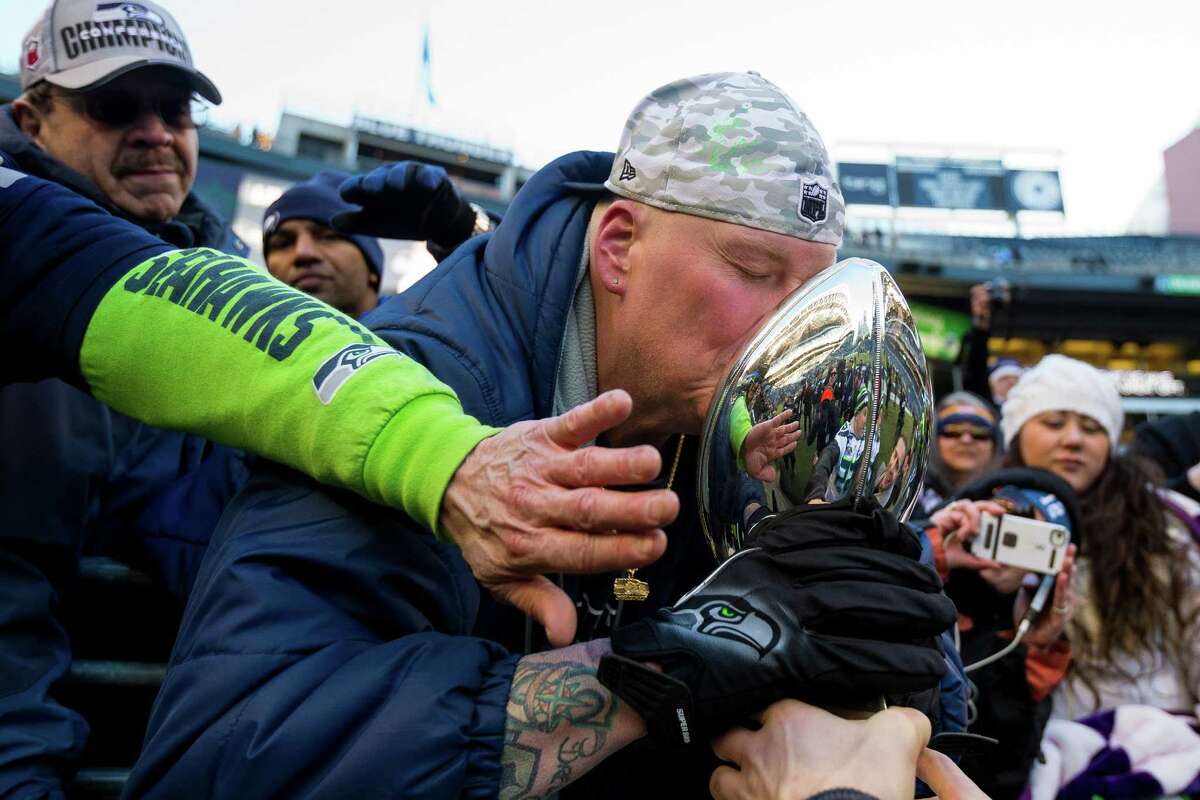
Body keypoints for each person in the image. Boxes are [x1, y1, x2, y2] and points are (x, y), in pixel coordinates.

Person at [125, 72, 960, 799]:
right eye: (751, 272)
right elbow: (218, 758)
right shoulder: (420, 384)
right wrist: (665, 671)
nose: (792, 326)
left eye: (812, 293)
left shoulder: (767, 414)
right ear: (620, 246)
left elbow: (915, 694)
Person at [1, 1, 252, 793]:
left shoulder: (242, 295)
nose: (154, 132)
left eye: (174, 109)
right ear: (30, 118)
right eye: (114, 106)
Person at [998, 354, 1200, 723]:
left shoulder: (1163, 521)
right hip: (1033, 751)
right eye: (1054, 422)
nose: (1073, 440)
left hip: (1166, 744)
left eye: (1092, 428)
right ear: (1017, 434)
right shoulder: (979, 521)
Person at [262, 165, 490, 317]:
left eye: (328, 236)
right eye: (283, 244)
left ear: (372, 270)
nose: (302, 253)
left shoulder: (426, 335)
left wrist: (463, 230)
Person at [917, 391, 999, 516]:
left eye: (979, 433)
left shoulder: (1006, 497)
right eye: (953, 431)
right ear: (933, 439)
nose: (966, 440)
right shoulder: (912, 491)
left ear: (996, 443)